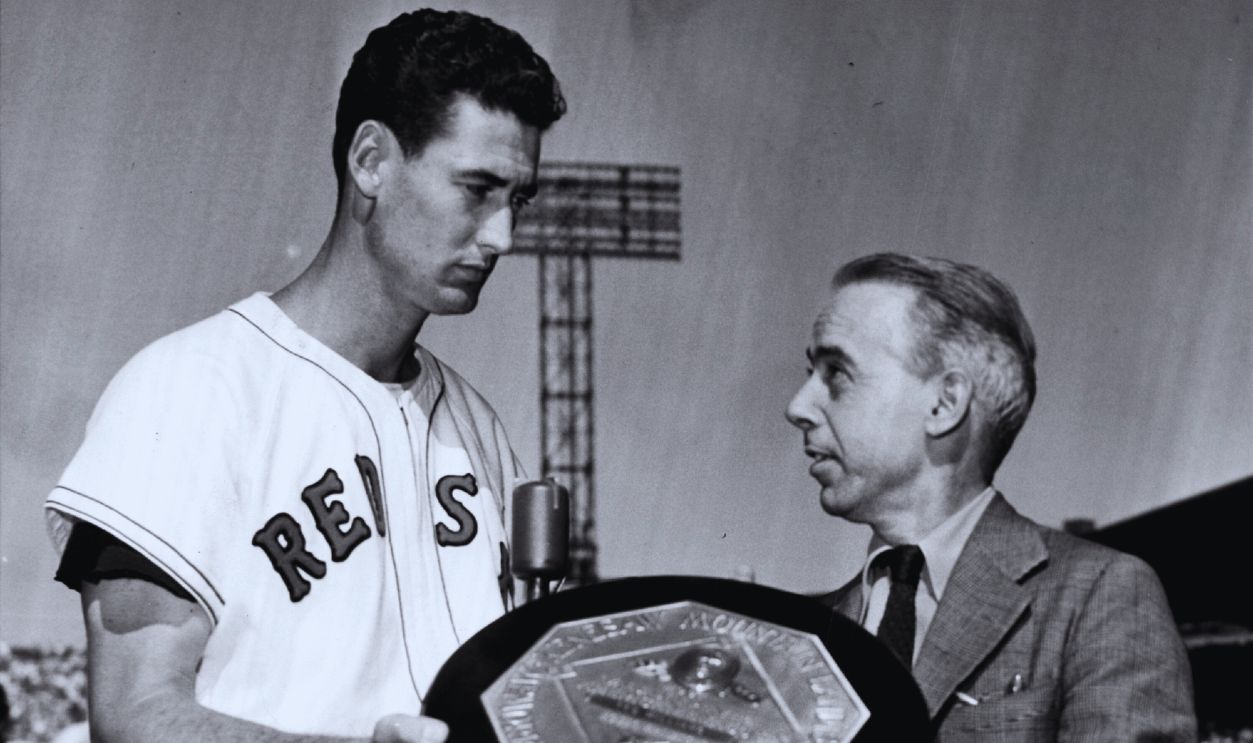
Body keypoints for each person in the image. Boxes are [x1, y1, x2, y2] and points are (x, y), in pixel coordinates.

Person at [43, 9, 565, 742]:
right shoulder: (190, 388)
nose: (502, 235)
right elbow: (134, 715)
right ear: (371, 160)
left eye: (518, 199)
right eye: (476, 189)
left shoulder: (480, 432)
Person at [786, 253, 1196, 740]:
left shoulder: (1099, 596)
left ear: (944, 404)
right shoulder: (799, 636)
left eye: (837, 373)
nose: (798, 406)